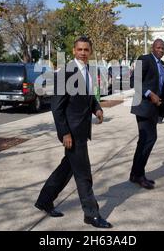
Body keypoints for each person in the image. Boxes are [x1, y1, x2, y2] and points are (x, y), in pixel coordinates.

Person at [35, 36, 112, 229]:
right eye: (80, 50)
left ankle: (45, 200)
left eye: (86, 50)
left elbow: (90, 96)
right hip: (72, 132)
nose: (83, 53)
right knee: (83, 173)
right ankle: (91, 214)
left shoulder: (87, 70)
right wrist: (65, 133)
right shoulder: (66, 73)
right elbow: (57, 108)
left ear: (90, 51)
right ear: (73, 51)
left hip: (82, 129)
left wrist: (97, 108)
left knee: (67, 168)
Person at [129, 39, 164, 189]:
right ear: (152, 48)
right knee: (148, 139)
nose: (161, 50)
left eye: (163, 48)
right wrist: (150, 94)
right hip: (143, 106)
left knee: (146, 140)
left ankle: (135, 174)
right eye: (158, 47)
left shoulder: (160, 64)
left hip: (154, 108)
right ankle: (138, 175)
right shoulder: (145, 59)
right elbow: (134, 81)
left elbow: (161, 84)